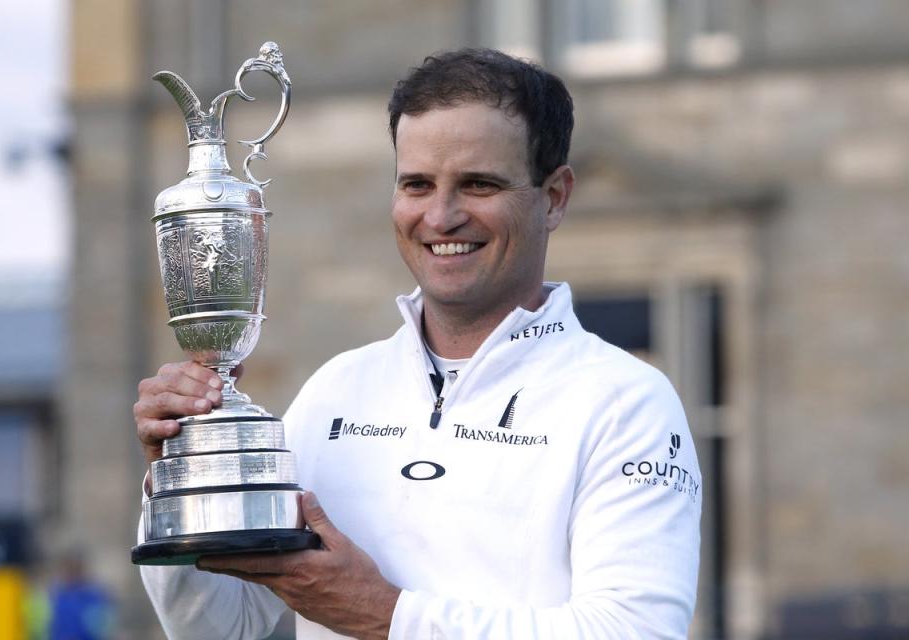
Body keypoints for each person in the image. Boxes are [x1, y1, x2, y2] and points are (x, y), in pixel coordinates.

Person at [135, 48, 702, 639]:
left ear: (554, 197)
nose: (441, 215)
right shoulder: (338, 388)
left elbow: (637, 632)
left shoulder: (625, 402)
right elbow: (219, 630)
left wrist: (385, 615)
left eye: (479, 184)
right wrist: (180, 473)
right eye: (417, 184)